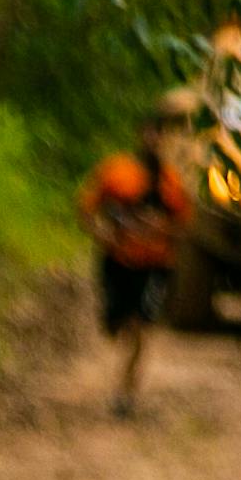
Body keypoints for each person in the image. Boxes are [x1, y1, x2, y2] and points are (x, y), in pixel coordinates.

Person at [77, 113, 194, 417]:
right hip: (117, 261)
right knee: (115, 325)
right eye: (149, 134)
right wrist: (102, 232)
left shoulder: (173, 182)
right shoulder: (116, 171)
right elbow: (87, 208)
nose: (153, 140)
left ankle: (125, 392)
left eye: (159, 135)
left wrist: (160, 229)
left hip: (155, 265)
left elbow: (185, 227)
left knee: (141, 327)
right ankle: (116, 332)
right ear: (140, 135)